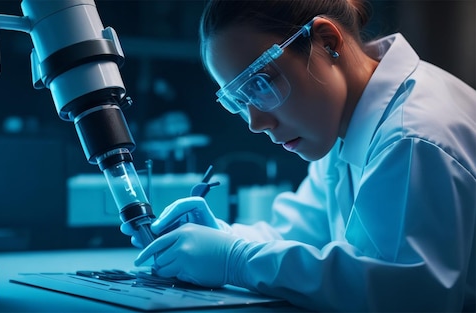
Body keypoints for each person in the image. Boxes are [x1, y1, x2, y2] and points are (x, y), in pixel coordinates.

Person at [121, 0, 476, 311]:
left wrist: (236, 259)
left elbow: (407, 299)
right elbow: (302, 235)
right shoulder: (344, 123)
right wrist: (220, 238)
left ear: (326, 42)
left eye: (261, 83)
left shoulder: (413, 135)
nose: (256, 123)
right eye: (240, 101)